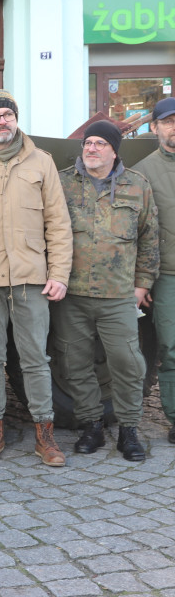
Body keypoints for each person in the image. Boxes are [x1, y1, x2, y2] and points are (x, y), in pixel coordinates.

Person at [0, 82, 73, 467]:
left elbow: (58, 222)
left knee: (35, 358)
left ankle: (45, 432)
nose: (1, 121)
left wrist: (59, 272)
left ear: (16, 119)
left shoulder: (41, 161)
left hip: (31, 277)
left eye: (7, 114)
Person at [57, 121, 158, 461]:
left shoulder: (137, 185)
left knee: (127, 363)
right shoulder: (61, 183)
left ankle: (128, 430)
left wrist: (143, 284)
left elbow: (148, 238)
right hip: (72, 294)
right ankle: (92, 425)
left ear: (114, 150)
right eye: (88, 142)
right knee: (76, 363)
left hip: (118, 296)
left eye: (100, 143)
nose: (92, 148)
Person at [134, 97, 175, 445]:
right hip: (169, 277)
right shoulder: (145, 171)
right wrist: (143, 281)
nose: (174, 128)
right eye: (168, 122)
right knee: (172, 350)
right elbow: (142, 230)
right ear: (155, 128)